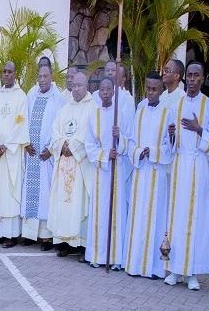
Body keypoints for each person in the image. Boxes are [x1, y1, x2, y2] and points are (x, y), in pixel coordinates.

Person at [164, 61, 209, 290]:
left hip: (198, 165)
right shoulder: (176, 105)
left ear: (202, 78)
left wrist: (200, 130)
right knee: (177, 217)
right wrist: (171, 136)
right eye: (189, 75)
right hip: (180, 164)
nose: (191, 79)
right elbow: (169, 143)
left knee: (196, 217)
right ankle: (176, 270)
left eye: (196, 76)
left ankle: (192, 273)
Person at [125, 72, 172, 279]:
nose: (151, 93)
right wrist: (137, 152)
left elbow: (169, 146)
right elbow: (131, 141)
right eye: (148, 89)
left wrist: (152, 152)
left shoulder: (167, 113)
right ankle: (135, 264)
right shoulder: (140, 110)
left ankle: (154, 267)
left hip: (156, 172)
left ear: (161, 89)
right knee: (138, 217)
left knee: (155, 218)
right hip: (141, 172)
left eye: (155, 89)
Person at [85, 77, 133, 269]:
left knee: (116, 212)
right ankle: (97, 255)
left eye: (108, 89)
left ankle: (115, 258)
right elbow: (89, 145)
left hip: (117, 170)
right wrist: (106, 154)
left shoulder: (121, 115)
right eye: (102, 90)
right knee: (100, 211)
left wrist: (118, 139)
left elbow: (129, 142)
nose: (105, 93)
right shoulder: (93, 115)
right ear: (98, 93)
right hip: (101, 170)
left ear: (114, 92)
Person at [48, 72, 97, 258]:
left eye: (80, 86)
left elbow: (89, 134)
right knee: (63, 202)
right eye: (74, 85)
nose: (76, 89)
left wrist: (72, 147)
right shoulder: (64, 109)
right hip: (64, 164)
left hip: (79, 166)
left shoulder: (93, 108)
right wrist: (62, 145)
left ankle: (81, 243)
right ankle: (64, 242)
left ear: (87, 87)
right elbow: (55, 132)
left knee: (79, 202)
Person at [0, 61, 29, 248]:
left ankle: (10, 235)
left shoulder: (21, 96)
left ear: (15, 73)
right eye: (4, 72)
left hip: (11, 154)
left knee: (10, 192)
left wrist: (6, 145)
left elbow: (21, 123)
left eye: (10, 72)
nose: (6, 75)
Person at [21, 65, 65, 250]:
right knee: (30, 192)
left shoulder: (59, 99)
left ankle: (46, 237)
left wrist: (52, 150)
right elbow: (23, 119)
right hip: (32, 154)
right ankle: (30, 235)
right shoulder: (31, 94)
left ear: (51, 77)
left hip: (47, 156)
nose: (42, 80)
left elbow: (60, 125)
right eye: (40, 76)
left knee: (45, 194)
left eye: (45, 76)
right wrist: (26, 142)